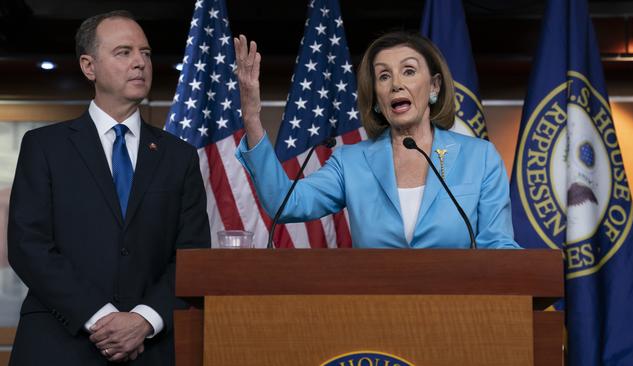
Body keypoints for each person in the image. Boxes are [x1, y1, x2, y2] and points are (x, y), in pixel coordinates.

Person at [8, 10, 210, 365]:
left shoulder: (180, 157)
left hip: (151, 349)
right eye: (124, 52)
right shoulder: (44, 147)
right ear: (89, 67)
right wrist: (101, 318)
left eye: (145, 53)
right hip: (59, 345)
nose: (140, 63)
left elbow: (192, 254)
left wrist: (143, 320)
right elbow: (29, 246)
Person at [234, 31, 520, 249]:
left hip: (460, 315)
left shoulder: (480, 158)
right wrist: (252, 119)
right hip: (374, 315)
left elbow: (499, 246)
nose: (396, 83)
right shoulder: (351, 162)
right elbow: (284, 203)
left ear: (434, 86)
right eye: (384, 76)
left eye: (408, 71)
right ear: (376, 99)